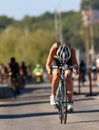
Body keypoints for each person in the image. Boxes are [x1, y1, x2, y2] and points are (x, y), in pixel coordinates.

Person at [46, 42, 79, 111]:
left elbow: (75, 63)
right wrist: (49, 70)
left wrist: (75, 69)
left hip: (68, 61)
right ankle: (53, 96)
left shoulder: (71, 49)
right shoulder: (54, 48)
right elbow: (47, 64)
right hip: (56, 60)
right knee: (56, 74)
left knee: (68, 75)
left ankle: (70, 102)